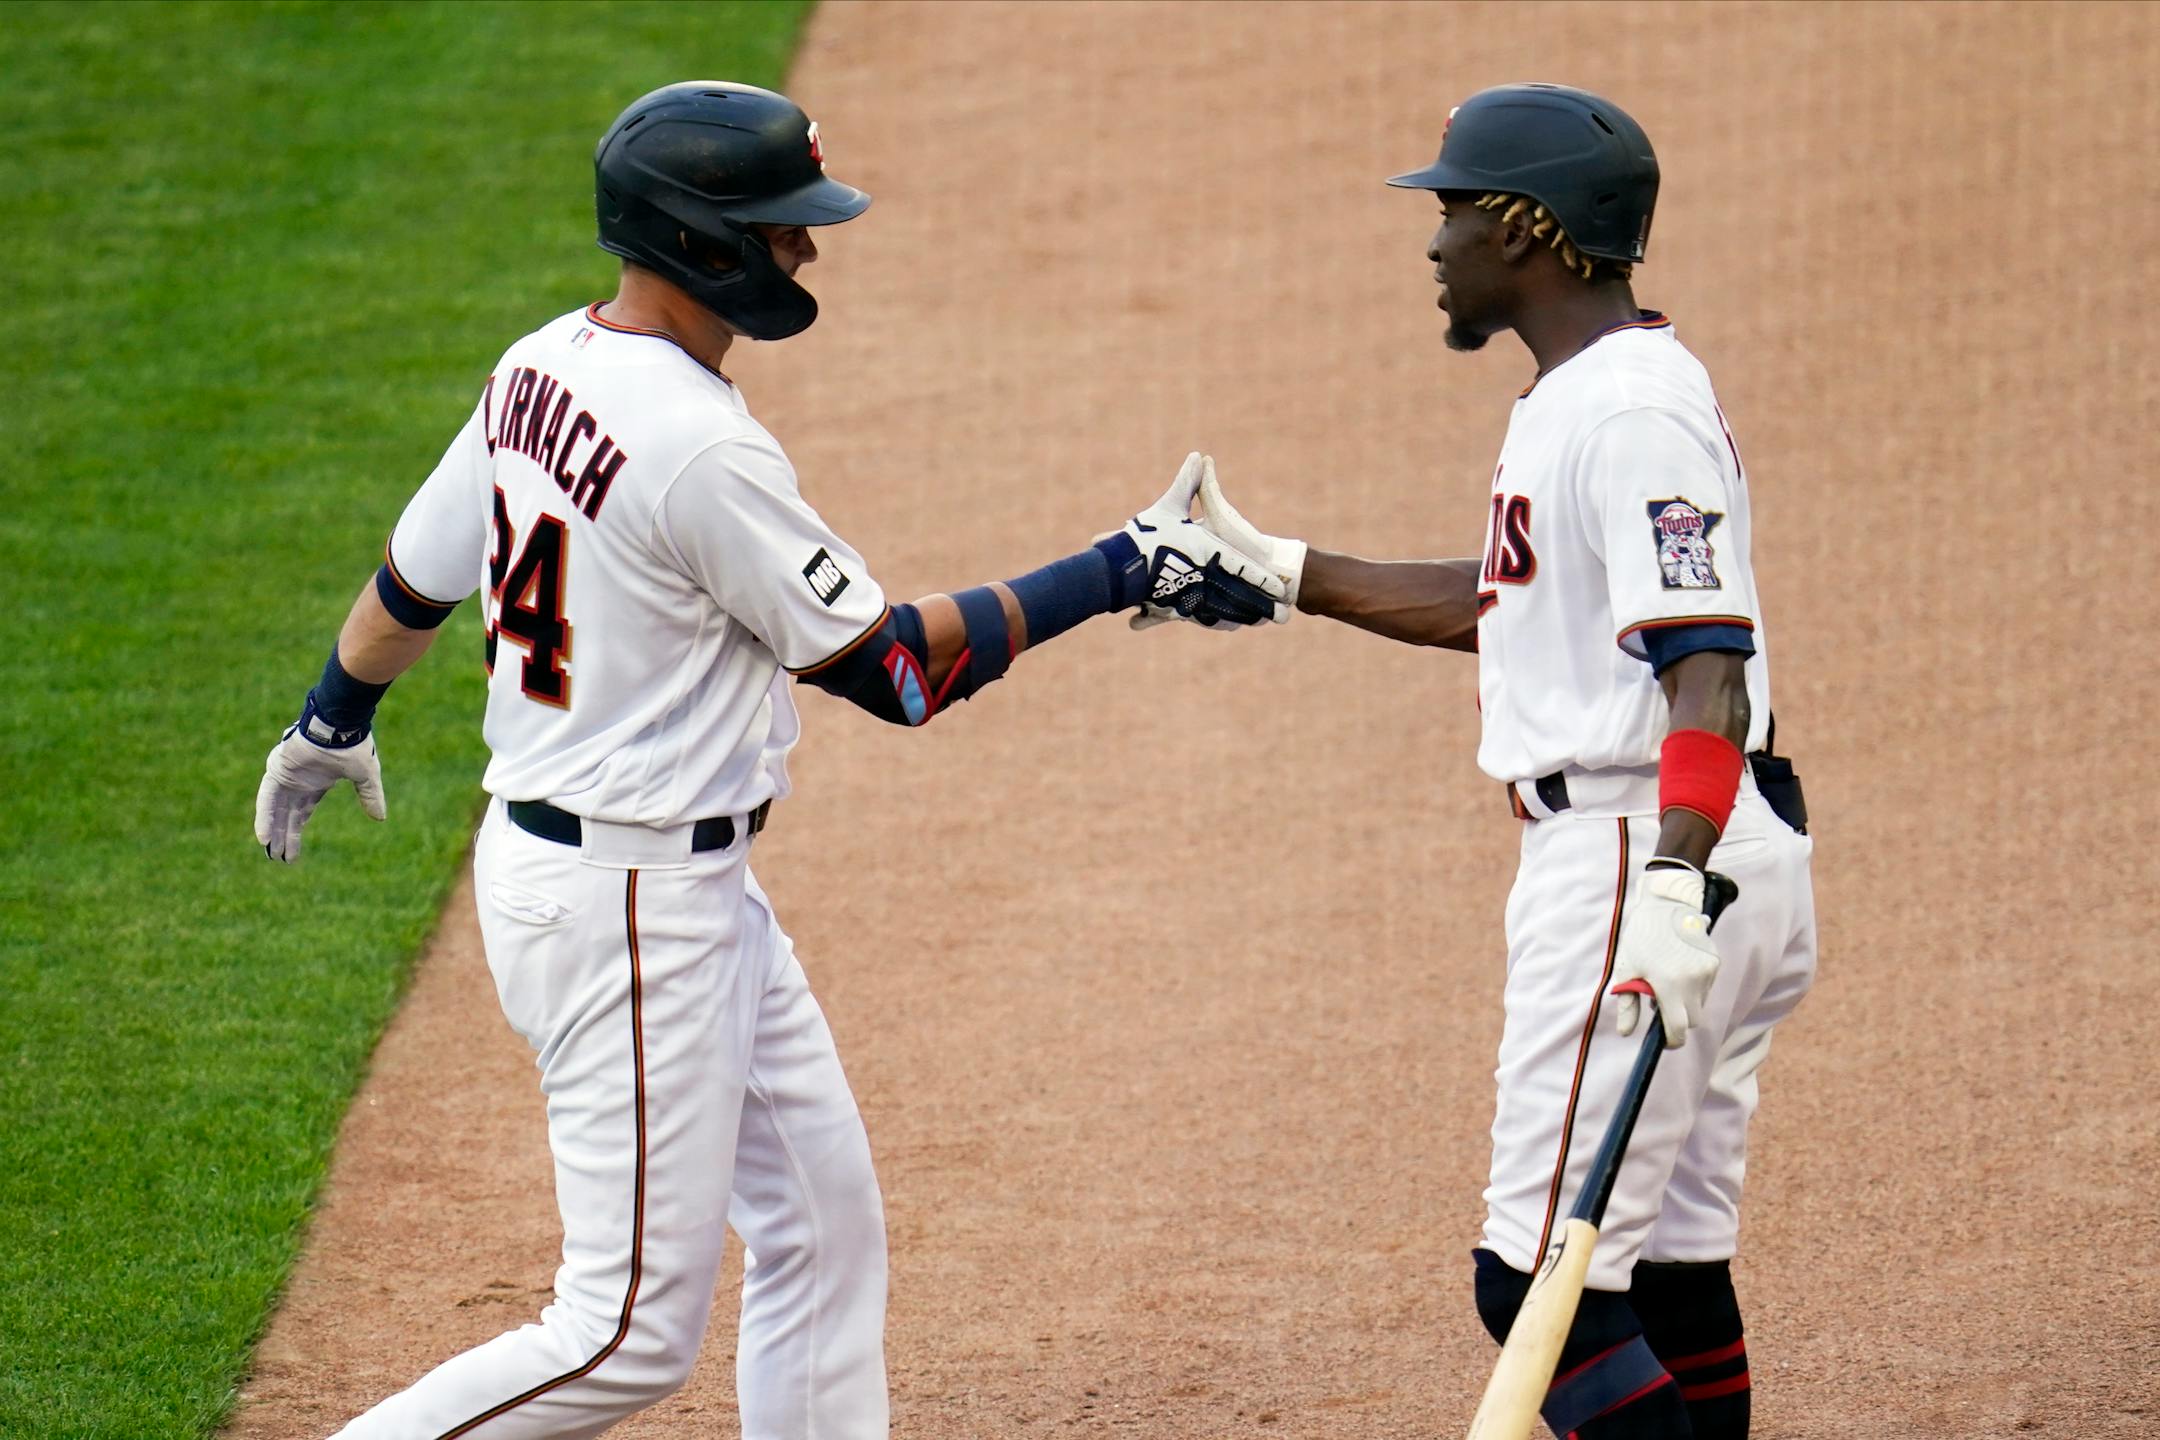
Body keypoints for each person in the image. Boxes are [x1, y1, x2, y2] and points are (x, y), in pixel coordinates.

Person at [252, 81, 1281, 1440]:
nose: (805, 248)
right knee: (618, 1335)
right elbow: (902, 673)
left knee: (819, 1222)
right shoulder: (699, 450)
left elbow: (414, 578)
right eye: (783, 225)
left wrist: (332, 718)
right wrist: (1118, 565)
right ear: (702, 239)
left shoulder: (537, 369)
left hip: (656, 885)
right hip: (626, 908)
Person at [1166, 84, 1817, 1439]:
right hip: (1693, 839)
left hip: (1649, 849)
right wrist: (1285, 570)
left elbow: (1708, 662)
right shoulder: (1592, 391)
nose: (1436, 239)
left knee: (1535, 1282)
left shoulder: (1632, 409)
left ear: (1526, 228)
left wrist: (1676, 886)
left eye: (1453, 209)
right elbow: (1520, 602)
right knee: (1669, 1272)